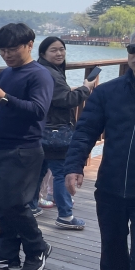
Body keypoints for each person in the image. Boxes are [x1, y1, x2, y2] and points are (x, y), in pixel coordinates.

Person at [65, 32, 135, 270]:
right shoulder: (107, 93)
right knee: (113, 239)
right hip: (111, 184)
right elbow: (85, 131)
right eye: (133, 50)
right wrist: (74, 166)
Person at [0, 23, 53, 270]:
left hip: (24, 148)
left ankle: (37, 248)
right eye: (2, 50)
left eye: (11, 49)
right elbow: (5, 108)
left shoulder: (39, 75)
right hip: (1, 145)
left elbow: (39, 110)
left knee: (16, 205)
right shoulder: (7, 73)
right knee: (2, 205)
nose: (6, 55)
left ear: (29, 45)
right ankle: (6, 254)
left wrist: (5, 98)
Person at [28, 37, 95, 227]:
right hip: (55, 131)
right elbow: (66, 99)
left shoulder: (43, 70)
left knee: (39, 170)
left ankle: (31, 206)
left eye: (62, 49)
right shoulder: (50, 73)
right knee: (61, 172)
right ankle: (65, 216)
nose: (59, 53)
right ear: (43, 53)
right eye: (54, 50)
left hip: (41, 129)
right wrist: (85, 89)